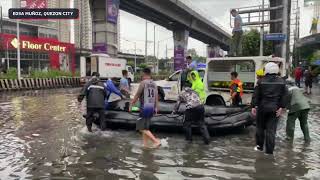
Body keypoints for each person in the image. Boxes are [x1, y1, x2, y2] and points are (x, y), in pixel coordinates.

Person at [251, 62, 287, 155]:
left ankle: (259, 147)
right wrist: (281, 108)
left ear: (266, 70)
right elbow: (285, 96)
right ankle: (269, 152)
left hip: (262, 108)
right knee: (271, 131)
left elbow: (256, 95)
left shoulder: (260, 81)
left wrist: (254, 106)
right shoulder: (282, 82)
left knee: (260, 129)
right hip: (274, 109)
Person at [130, 68, 161, 148]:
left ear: (144, 74)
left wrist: (131, 104)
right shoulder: (154, 83)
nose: (141, 75)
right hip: (151, 107)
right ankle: (145, 145)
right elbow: (156, 97)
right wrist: (157, 107)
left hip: (144, 107)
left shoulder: (143, 83)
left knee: (140, 127)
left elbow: (137, 94)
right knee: (145, 128)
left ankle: (155, 141)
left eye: (141, 73)